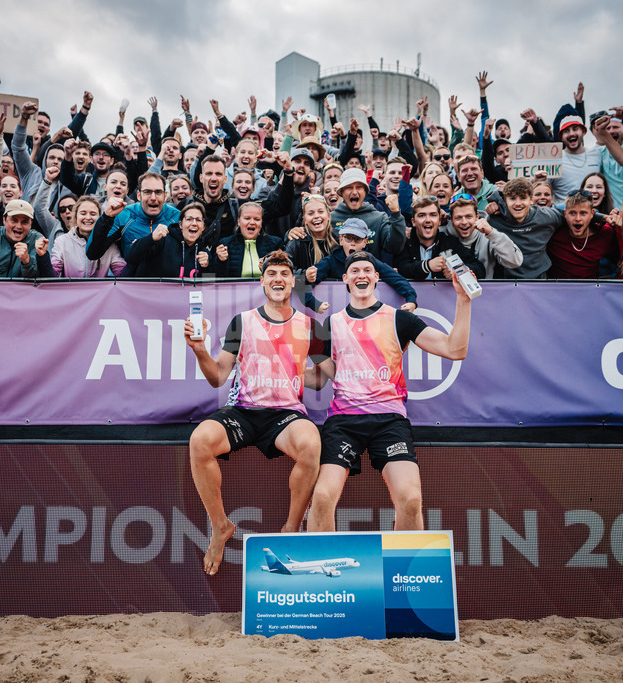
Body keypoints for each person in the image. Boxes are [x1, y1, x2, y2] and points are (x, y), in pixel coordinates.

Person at [307, 249, 474, 532]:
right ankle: (324, 560)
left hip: (389, 421)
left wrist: (463, 298)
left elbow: (454, 349)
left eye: (367, 270)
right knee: (322, 498)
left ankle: (405, 561)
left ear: (376, 277)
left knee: (410, 500)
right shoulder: (330, 324)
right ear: (345, 278)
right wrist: (280, 369)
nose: (361, 275)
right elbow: (317, 379)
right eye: (355, 271)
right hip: (344, 422)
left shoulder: (400, 319)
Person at [184, 249, 324, 574]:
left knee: (311, 444)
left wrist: (297, 371)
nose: (278, 279)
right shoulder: (242, 321)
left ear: (293, 282)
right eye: (271, 274)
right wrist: (200, 350)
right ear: (262, 281)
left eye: (284, 274)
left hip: (286, 414)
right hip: (243, 411)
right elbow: (218, 377)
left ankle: (291, 527)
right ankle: (220, 526)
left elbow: (320, 379)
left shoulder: (310, 326)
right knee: (199, 441)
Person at [306, 218, 418, 314]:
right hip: (336, 316)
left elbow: (397, 279)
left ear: (365, 242)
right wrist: (314, 304)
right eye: (348, 238)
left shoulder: (371, 262)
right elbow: (303, 284)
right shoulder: (329, 262)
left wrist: (411, 300)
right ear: (341, 240)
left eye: (357, 239)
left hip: (365, 315)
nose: (352, 243)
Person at [485, 177, 565, 279]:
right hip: (506, 281)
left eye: (523, 198)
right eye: (512, 198)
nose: (518, 203)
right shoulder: (493, 220)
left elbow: (570, 216)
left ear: (531, 200)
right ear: (505, 201)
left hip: (539, 280)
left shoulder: (546, 216)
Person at [395, 197, 485, 281]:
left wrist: (459, 271)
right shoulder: (405, 242)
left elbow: (479, 268)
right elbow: (400, 268)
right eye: (422, 215)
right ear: (413, 221)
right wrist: (427, 266)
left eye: (433, 215)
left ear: (439, 221)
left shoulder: (450, 242)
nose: (428, 220)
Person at [329, 167, 406, 260]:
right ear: (341, 192)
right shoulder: (330, 219)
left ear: (366, 192)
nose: (354, 192)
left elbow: (395, 247)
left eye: (359, 187)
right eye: (349, 187)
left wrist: (396, 214)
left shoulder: (379, 218)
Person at [124, 201, 214, 278]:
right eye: (189, 219)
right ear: (180, 225)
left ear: (203, 227)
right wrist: (151, 238)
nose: (194, 223)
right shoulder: (162, 240)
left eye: (198, 220)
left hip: (185, 294)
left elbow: (209, 288)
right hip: (152, 292)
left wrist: (206, 267)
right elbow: (130, 257)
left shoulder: (204, 253)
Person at [546, 190, 618, 278]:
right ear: (565, 213)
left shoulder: (604, 233)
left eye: (583, 213)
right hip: (556, 285)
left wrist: (611, 278)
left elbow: (622, 260)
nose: (578, 219)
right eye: (572, 213)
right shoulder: (553, 231)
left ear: (592, 214)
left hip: (590, 286)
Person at [447, 195, 523, 278]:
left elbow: (515, 262)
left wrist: (492, 233)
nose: (464, 222)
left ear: (477, 216)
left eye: (469, 216)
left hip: (486, 285)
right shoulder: (444, 235)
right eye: (458, 218)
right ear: (451, 220)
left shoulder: (489, 235)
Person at [51, 196, 125, 278]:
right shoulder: (62, 241)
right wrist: (43, 258)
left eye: (93, 214)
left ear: (100, 218)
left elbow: (122, 273)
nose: (88, 217)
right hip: (71, 287)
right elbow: (52, 273)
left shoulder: (108, 243)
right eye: (83, 213)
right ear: (76, 216)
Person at [213, 202, 282, 278]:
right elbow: (215, 278)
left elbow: (284, 273)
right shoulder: (225, 244)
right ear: (238, 221)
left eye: (257, 219)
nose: (252, 222)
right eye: (247, 218)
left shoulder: (275, 243)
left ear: (261, 222)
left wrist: (269, 268)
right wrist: (221, 261)